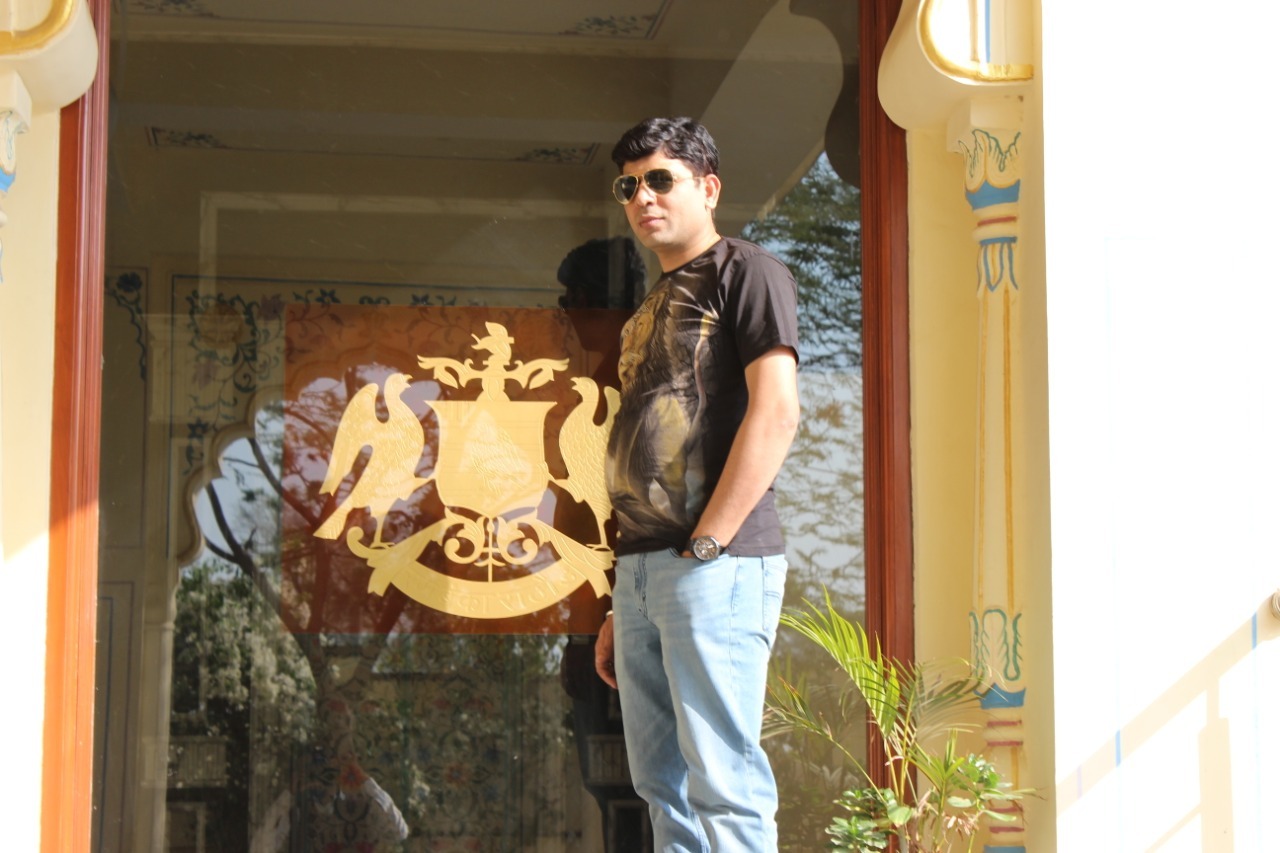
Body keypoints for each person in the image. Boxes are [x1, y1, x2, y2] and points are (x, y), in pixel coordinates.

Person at [593, 117, 800, 852]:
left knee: (724, 785)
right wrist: (628, 592)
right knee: (663, 789)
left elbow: (777, 413)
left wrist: (708, 543)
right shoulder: (649, 308)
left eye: (660, 179)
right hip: (644, 570)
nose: (642, 197)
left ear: (708, 188)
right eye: (628, 186)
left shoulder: (747, 271)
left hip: (716, 561)